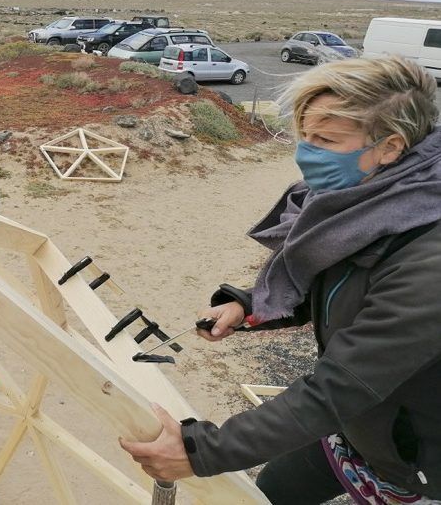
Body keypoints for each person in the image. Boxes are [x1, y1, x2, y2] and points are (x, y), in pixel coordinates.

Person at [118, 57, 441, 505]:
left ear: (391, 147)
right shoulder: (367, 205)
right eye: (304, 135)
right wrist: (250, 307)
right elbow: (344, 286)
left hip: (417, 461)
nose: (305, 152)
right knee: (271, 493)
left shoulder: (428, 258)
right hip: (355, 433)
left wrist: (201, 451)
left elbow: (341, 386)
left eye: (326, 140)